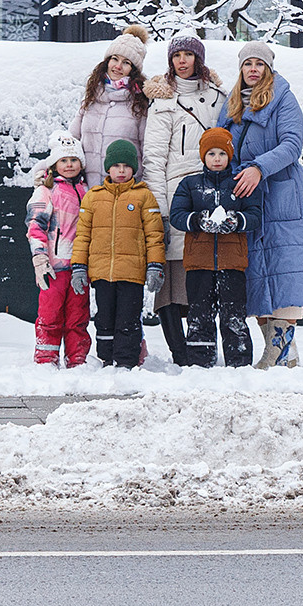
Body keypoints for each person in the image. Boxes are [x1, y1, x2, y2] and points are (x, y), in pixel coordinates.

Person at [221, 39, 303, 367]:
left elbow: (292, 145)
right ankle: (282, 353)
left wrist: (258, 167)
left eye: (259, 64)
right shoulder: (232, 102)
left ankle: (278, 351)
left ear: (268, 68)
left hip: (281, 194)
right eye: (248, 64)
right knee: (257, 273)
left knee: (284, 270)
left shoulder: (283, 98)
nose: (253, 70)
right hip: (248, 198)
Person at [140, 33, 227, 365]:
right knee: (172, 279)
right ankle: (181, 354)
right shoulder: (162, 101)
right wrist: (160, 209)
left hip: (213, 192)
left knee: (205, 273)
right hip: (177, 193)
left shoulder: (219, 98)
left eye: (189, 55)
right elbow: (154, 159)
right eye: (177, 55)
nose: (182, 61)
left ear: (198, 59)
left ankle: (204, 349)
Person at [67, 138, 165, 368]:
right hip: (101, 273)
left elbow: (154, 235)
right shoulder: (93, 196)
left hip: (132, 273)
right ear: (107, 168)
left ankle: (126, 362)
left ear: (134, 168)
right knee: (104, 318)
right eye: (116, 166)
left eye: (127, 166)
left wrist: (155, 265)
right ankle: (106, 359)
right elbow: (82, 236)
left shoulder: (144, 196)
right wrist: (78, 267)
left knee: (128, 319)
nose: (121, 171)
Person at [166, 127, 254, 369]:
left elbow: (255, 215)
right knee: (199, 313)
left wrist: (237, 221)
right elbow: (177, 215)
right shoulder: (190, 184)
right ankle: (199, 362)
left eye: (222, 154)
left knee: (233, 314)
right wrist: (197, 220)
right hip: (199, 262)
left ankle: (239, 362)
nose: (217, 159)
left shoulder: (239, 183)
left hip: (233, 263)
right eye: (212, 154)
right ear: (203, 156)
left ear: (230, 156)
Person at [24, 134, 92, 368]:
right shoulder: (46, 191)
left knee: (78, 317)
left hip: (80, 267)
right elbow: (35, 226)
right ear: (54, 165)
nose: (70, 165)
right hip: (54, 267)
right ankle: (45, 360)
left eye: (74, 160)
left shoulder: (87, 191)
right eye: (64, 161)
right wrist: (40, 258)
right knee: (50, 315)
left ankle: (77, 361)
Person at [71, 27, 151, 180]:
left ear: (133, 70)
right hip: (88, 190)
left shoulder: (140, 102)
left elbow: (147, 150)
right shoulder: (92, 95)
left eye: (126, 62)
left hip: (123, 191)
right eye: (115, 59)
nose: (118, 66)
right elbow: (71, 140)